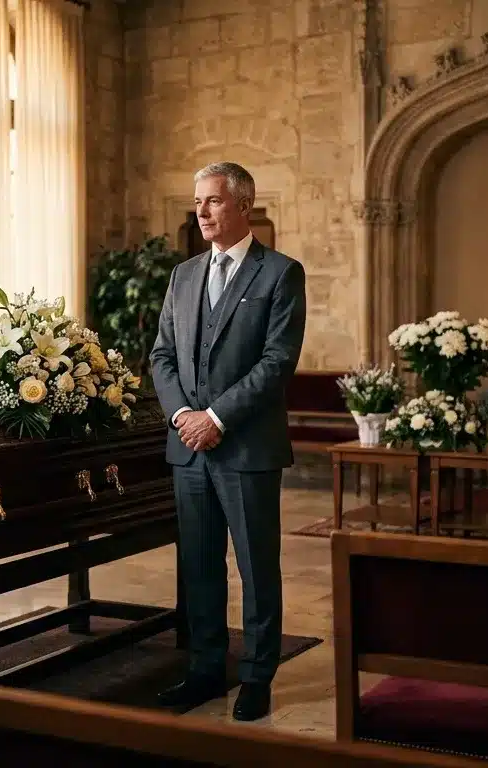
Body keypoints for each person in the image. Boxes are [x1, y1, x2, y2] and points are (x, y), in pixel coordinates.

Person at [148, 161, 307, 721]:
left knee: (257, 568)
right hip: (188, 448)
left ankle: (258, 676)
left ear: (244, 204)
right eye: (198, 201)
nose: (202, 210)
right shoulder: (183, 276)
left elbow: (276, 362)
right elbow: (161, 356)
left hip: (247, 448)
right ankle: (205, 669)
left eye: (213, 200)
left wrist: (216, 417)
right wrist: (184, 417)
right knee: (199, 566)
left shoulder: (281, 274)